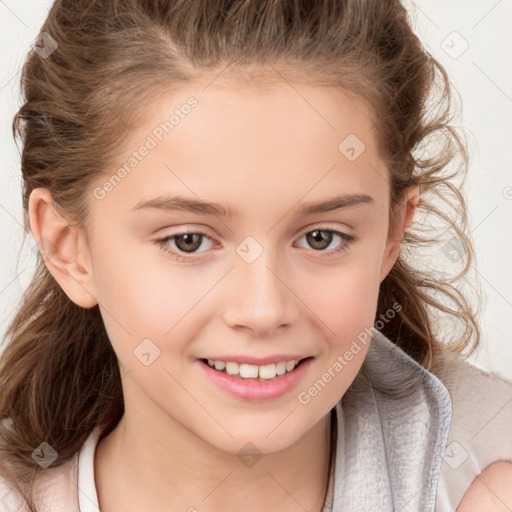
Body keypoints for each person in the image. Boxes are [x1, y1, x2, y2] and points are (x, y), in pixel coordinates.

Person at [0, 1, 511, 511]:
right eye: (188, 241)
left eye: (321, 238)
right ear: (69, 249)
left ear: (391, 235)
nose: (263, 310)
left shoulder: (489, 466)